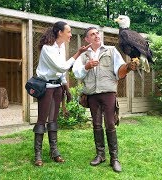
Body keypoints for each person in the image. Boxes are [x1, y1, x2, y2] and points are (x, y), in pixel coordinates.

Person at [72, 27, 138, 172]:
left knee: (110, 124)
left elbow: (120, 71)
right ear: (86, 39)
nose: (96, 36)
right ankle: (100, 155)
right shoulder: (84, 54)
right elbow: (76, 73)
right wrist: (86, 66)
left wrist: (127, 67)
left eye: (97, 33)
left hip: (108, 93)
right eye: (92, 34)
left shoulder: (111, 50)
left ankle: (114, 158)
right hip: (92, 94)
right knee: (96, 124)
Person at [33, 21, 91, 166]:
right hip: (46, 87)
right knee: (42, 121)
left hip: (57, 87)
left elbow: (61, 71)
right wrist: (78, 53)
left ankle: (54, 152)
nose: (70, 34)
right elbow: (61, 66)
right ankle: (38, 155)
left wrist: (65, 86)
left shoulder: (61, 46)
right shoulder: (47, 49)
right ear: (60, 32)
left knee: (53, 120)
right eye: (69, 32)